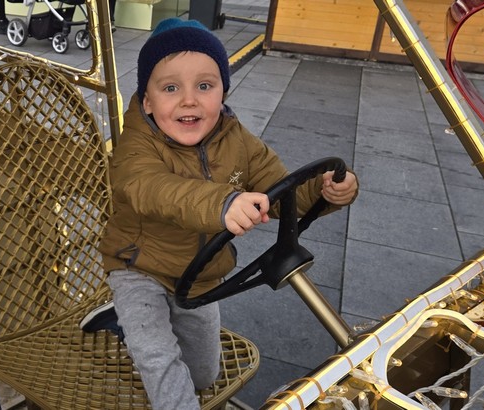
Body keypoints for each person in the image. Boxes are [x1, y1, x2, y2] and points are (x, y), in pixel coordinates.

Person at [79, 18, 359, 410]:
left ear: (223, 91)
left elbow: (280, 190)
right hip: (138, 268)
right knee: (159, 360)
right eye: (171, 88)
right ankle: (131, 319)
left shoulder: (237, 140)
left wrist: (325, 192)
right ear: (147, 101)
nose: (189, 100)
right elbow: (151, 189)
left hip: (200, 274)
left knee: (203, 374)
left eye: (204, 86)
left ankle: (127, 321)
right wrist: (222, 204)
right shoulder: (136, 146)